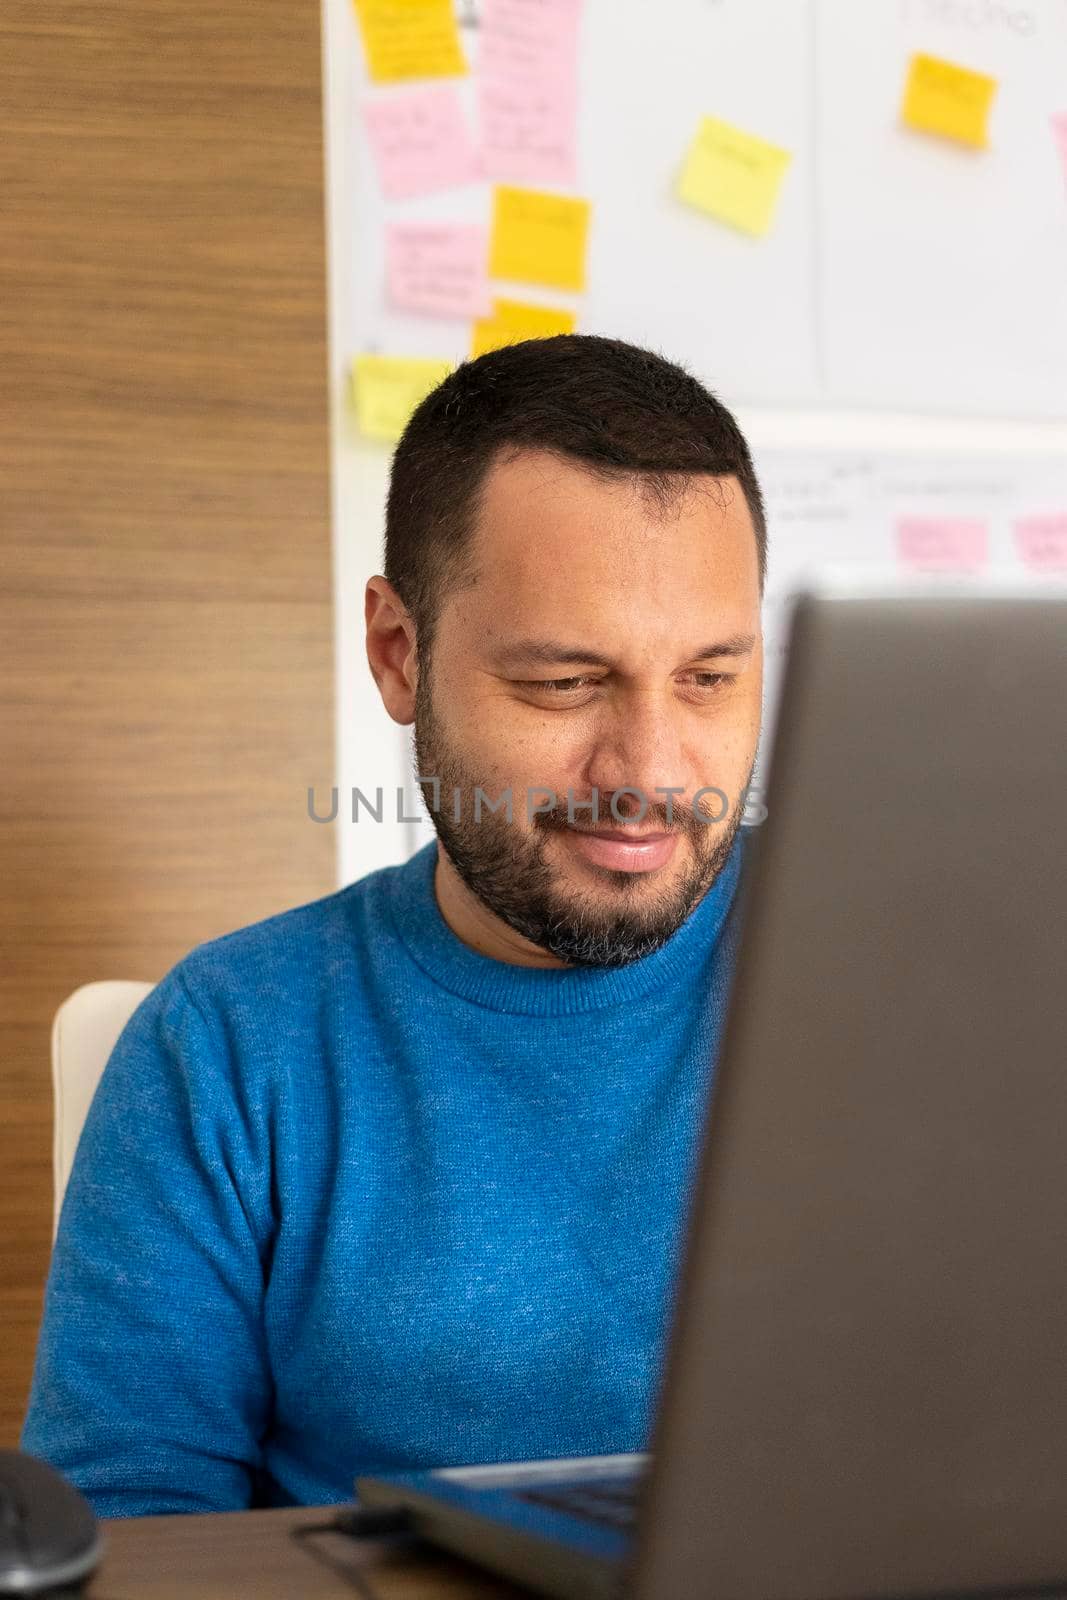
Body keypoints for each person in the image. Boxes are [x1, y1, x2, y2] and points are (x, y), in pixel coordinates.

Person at [20, 334, 766, 1515]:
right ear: (398, 652)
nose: (651, 770)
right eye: (564, 683)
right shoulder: (227, 1044)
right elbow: (126, 1526)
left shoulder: (916, 981)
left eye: (709, 678)